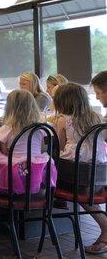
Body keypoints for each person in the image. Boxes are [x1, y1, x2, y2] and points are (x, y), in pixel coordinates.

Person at [52, 83, 107, 254]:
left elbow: (59, 148)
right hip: (99, 173)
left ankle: (50, 214)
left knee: (49, 168)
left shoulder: (62, 120)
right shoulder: (97, 117)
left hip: (75, 176)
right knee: (87, 192)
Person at [0, 90, 57, 195]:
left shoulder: (7, 127)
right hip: (37, 168)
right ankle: (33, 196)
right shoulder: (40, 128)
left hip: (15, 170)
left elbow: (5, 151)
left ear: (10, 108)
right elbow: (41, 149)